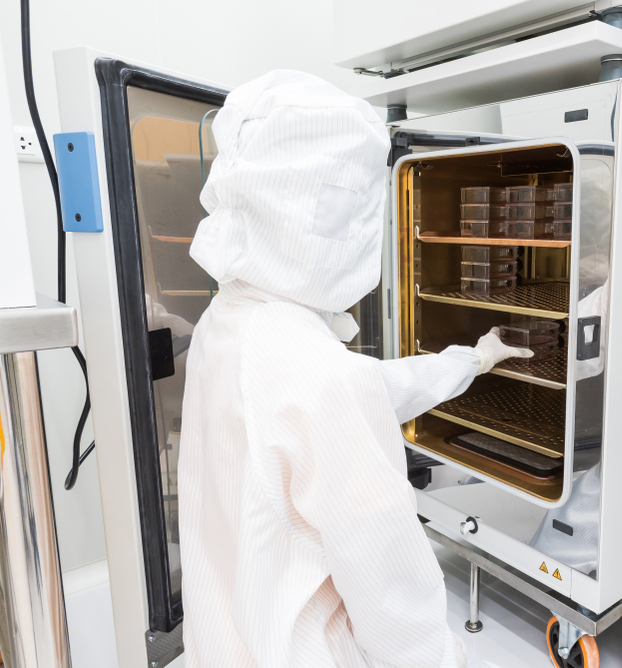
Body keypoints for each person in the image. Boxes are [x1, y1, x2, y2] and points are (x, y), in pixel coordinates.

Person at [179, 71, 529, 668]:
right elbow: (393, 596)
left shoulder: (230, 322)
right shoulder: (318, 375)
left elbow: (354, 396)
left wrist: (470, 360)